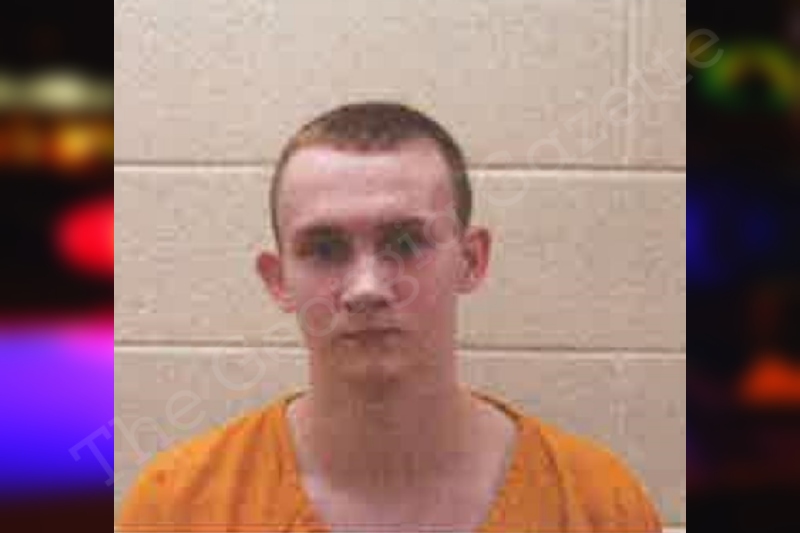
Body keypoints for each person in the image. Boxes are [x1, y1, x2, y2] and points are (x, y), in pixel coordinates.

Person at [117, 101, 663, 532]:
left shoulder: (600, 506)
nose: (367, 288)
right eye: (325, 249)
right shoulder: (175, 508)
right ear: (278, 279)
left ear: (471, 260)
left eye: (405, 243)